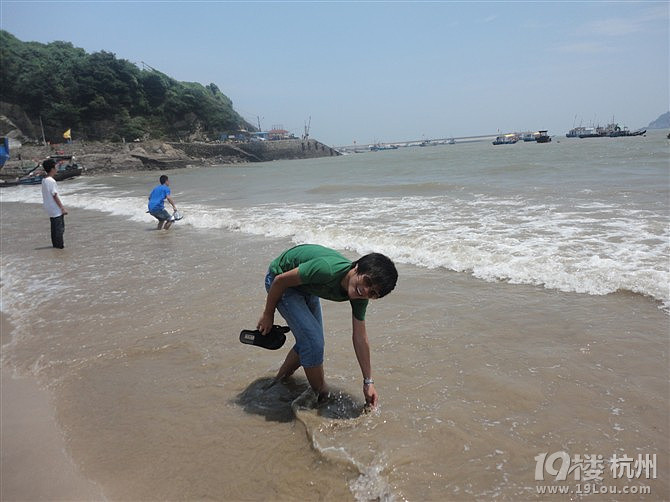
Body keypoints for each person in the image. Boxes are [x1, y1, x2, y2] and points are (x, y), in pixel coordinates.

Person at [257, 244, 398, 408]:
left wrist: (368, 382)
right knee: (313, 342)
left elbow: (360, 337)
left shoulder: (360, 296)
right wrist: (268, 314)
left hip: (308, 286)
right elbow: (280, 281)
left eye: (373, 293)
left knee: (312, 341)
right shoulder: (327, 270)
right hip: (281, 280)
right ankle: (322, 394)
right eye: (366, 281)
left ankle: (279, 379)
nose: (365, 291)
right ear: (357, 266)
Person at [41, 158, 68, 248]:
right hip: (55, 207)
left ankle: (55, 246)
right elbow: (55, 195)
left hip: (49, 207)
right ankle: (60, 247)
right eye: (55, 167)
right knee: (59, 229)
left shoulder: (44, 180)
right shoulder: (51, 181)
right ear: (52, 169)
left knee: (54, 229)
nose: (57, 168)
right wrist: (62, 208)